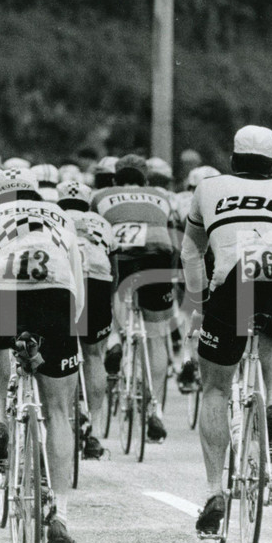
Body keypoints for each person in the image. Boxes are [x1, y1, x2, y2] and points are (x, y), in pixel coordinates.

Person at [0, 168, 85, 543]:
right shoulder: (61, 217)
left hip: (3, 291)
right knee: (58, 412)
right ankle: (61, 516)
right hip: (56, 293)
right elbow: (76, 285)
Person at [181, 126, 272, 534]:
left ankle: (214, 491)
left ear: (233, 160)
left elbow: (191, 250)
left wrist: (200, 302)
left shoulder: (207, 186)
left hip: (231, 278)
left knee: (216, 389)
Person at [91, 154, 174, 443]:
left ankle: (115, 337)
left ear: (115, 178)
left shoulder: (101, 196)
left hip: (121, 258)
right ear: (146, 179)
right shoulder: (161, 196)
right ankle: (155, 408)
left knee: (112, 289)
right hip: (157, 255)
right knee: (157, 335)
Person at [57, 180, 116, 458]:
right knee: (93, 354)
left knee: (60, 348)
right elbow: (114, 266)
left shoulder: (52, 216)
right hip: (97, 279)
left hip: (64, 278)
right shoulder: (101, 222)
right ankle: (94, 427)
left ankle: (63, 412)